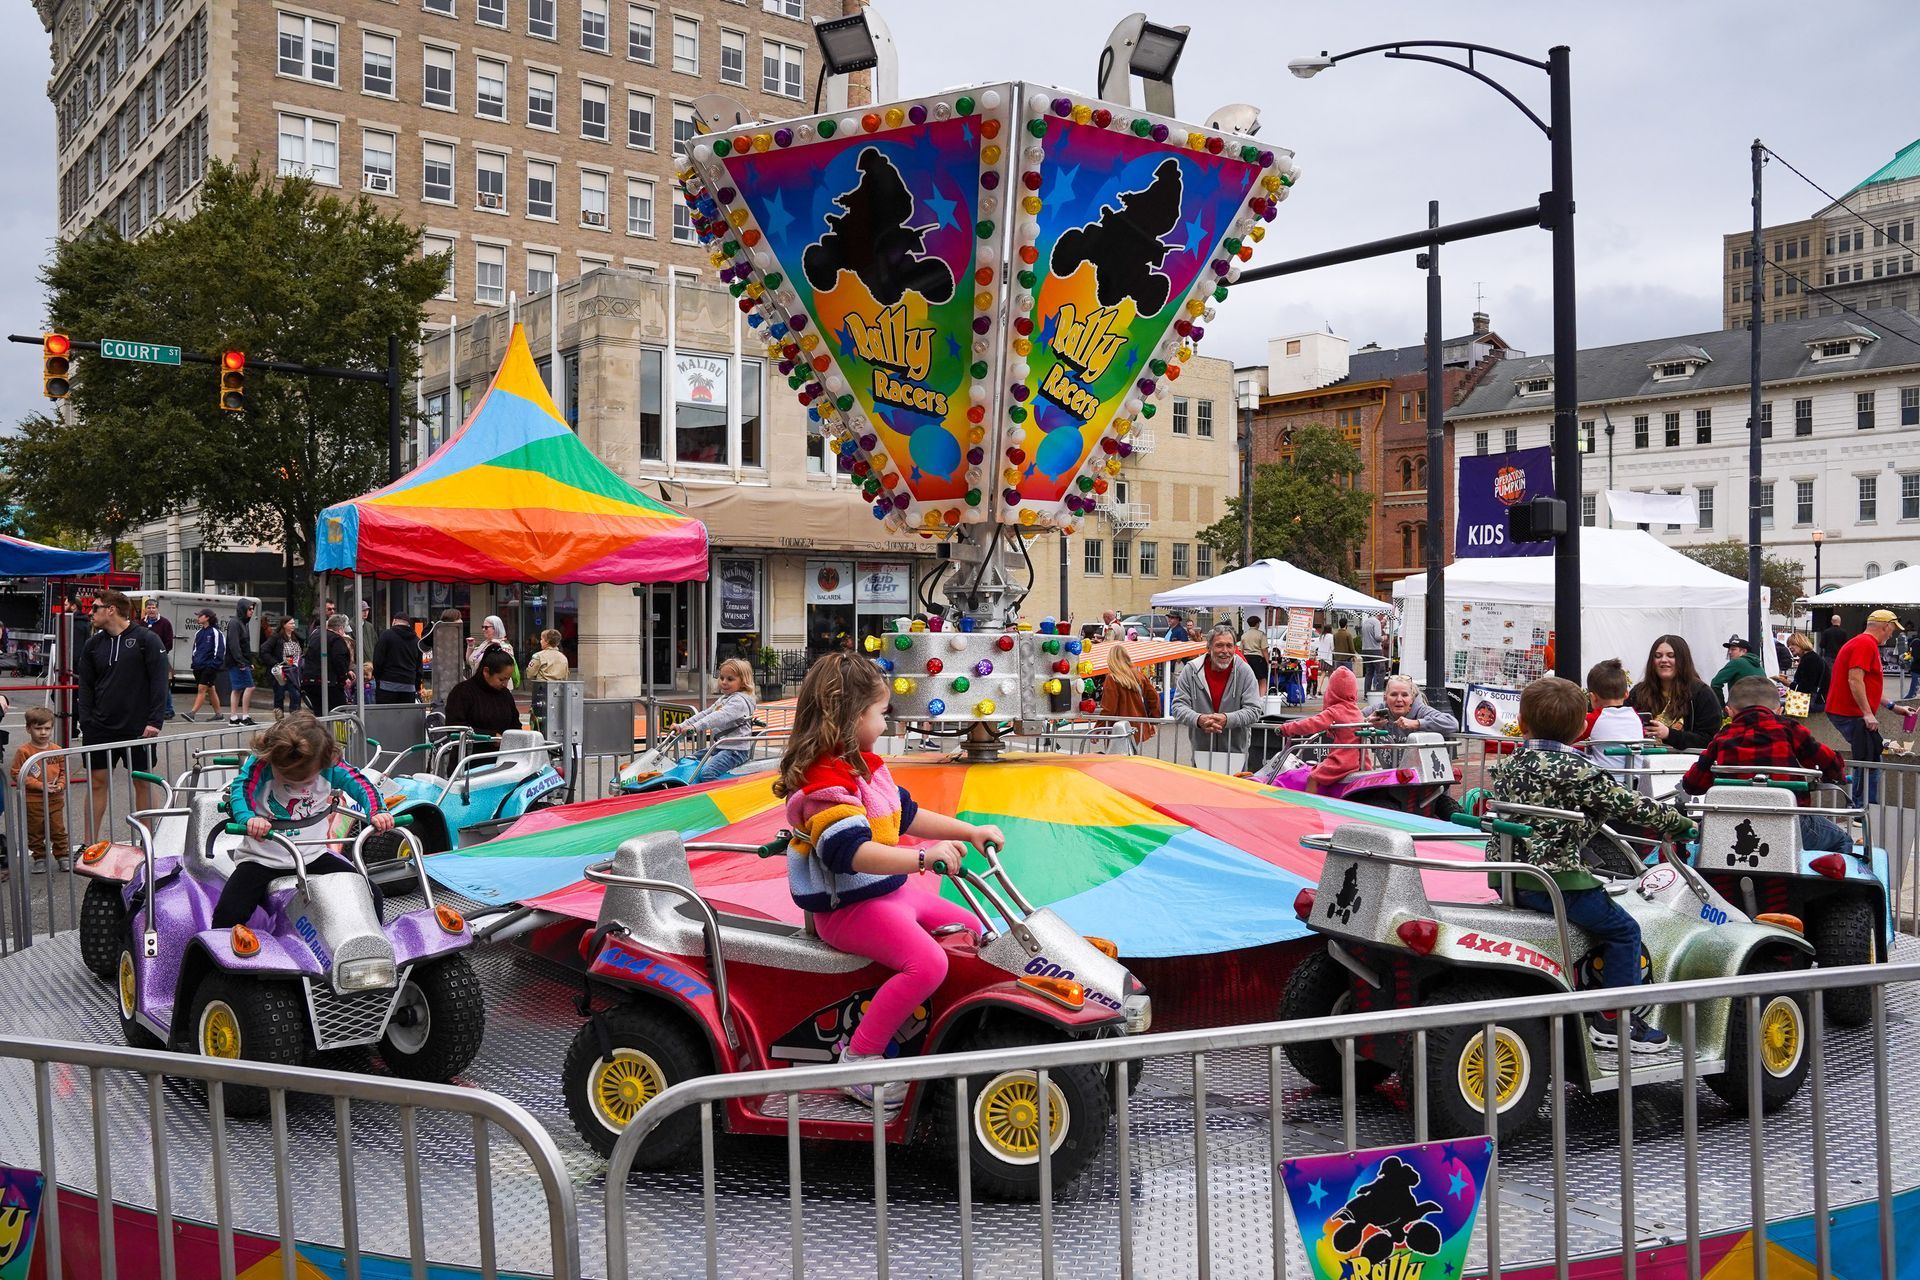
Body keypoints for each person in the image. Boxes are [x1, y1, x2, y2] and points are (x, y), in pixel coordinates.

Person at [774, 651, 1004, 1108]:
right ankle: (859, 1060)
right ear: (850, 717)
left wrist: (969, 832)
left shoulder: (865, 767)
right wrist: (922, 859)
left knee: (976, 930)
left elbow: (908, 815)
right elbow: (851, 854)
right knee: (929, 963)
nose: (886, 723)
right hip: (848, 911)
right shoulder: (828, 785)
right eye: (881, 713)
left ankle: (954, 1028)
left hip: (888, 896)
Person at [1489, 677, 1697, 1052]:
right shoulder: (1579, 770)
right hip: (1556, 878)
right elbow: (1627, 804)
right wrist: (1679, 822)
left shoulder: (1511, 762)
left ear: (1521, 721)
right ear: (1584, 726)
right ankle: (1615, 1018)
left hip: (1509, 873)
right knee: (1624, 930)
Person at [212, 712, 392, 930]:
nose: (298, 788)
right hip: (262, 860)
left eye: (306, 781)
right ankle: (218, 959)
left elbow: (360, 783)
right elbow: (240, 789)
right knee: (229, 912)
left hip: (312, 857)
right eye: (287, 780)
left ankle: (370, 949)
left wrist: (377, 811)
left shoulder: (329, 764)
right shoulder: (262, 764)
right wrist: (248, 818)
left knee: (369, 893)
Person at [1680, 677, 1851, 854]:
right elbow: (1830, 763)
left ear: (1729, 712)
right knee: (1841, 839)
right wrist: (1833, 775)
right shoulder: (1789, 729)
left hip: (1733, 825)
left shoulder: (1722, 738)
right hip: (1788, 822)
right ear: (1779, 710)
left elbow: (1692, 785)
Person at [75, 590, 167, 840]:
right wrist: (87, 722)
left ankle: (147, 843)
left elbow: (160, 683)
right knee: (96, 783)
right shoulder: (93, 644)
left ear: (111, 609)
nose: (90, 613)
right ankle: (89, 844)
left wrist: (154, 722)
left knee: (143, 782)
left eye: (94, 608)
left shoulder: (146, 639)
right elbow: (85, 686)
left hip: (138, 727)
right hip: (99, 727)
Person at [1826, 609, 1912, 808]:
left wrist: (1893, 706)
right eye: (1892, 630)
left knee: (1870, 757)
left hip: (1849, 712)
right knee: (1869, 762)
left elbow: (1865, 684)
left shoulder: (1862, 643)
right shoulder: (1865, 644)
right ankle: (1862, 807)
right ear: (1885, 626)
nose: (1892, 634)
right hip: (1851, 713)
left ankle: (1862, 804)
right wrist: (1867, 713)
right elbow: (1855, 680)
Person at [1171, 624, 1264, 770]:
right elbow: (1178, 706)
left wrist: (1227, 719)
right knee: (1202, 791)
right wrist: (1198, 719)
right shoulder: (1191, 670)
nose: (1225, 651)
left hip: (1236, 753)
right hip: (1201, 751)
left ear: (1235, 648)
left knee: (1233, 792)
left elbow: (1254, 710)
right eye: (1219, 645)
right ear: (1209, 647)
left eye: (1229, 646)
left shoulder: (1244, 671)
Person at [1263, 665, 1363, 792]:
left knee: (1312, 777)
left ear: (1332, 691)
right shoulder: (1356, 711)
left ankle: (1309, 807)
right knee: (1318, 768)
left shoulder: (1335, 711)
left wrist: (1286, 728)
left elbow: (1310, 724)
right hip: (1357, 760)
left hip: (1342, 761)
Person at [1626, 635, 1724, 751]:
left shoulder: (1701, 693)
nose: (1663, 660)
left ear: (1683, 659)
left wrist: (1669, 734)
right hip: (1642, 763)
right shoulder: (1638, 692)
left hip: (1684, 766)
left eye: (1671, 656)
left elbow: (1708, 740)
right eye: (1658, 656)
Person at [674, 658, 757, 782]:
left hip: (735, 750)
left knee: (707, 774)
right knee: (689, 760)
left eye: (730, 679)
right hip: (722, 746)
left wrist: (695, 727)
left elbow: (718, 717)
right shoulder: (725, 698)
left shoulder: (739, 701)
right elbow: (706, 713)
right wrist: (683, 725)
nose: (724, 682)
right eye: (722, 678)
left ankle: (721, 797)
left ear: (743, 682)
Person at [12, 706, 68, 872]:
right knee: (35, 831)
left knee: (58, 829)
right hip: (33, 800)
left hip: (55, 799)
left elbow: (63, 772)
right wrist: (40, 786)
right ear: (29, 729)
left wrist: (61, 785)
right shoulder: (24, 751)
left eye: (47, 728)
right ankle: (39, 858)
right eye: (38, 728)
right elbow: (16, 773)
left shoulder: (57, 750)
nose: (43, 732)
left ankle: (62, 855)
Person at [444, 649, 522, 736]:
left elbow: (515, 724)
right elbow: (455, 727)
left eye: (508, 679)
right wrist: (490, 736)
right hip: (472, 748)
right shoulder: (462, 692)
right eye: (501, 679)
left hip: (504, 748)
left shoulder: (505, 694)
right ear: (486, 672)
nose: (505, 684)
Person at [1097, 643, 1159, 751]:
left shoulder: (1112, 679)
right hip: (1136, 727)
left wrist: (1098, 729)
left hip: (1118, 729)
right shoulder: (1139, 676)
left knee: (1115, 762)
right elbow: (1154, 697)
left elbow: (1108, 709)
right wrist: (1153, 720)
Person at [1364, 674, 1460, 740]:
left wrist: (1417, 723)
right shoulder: (1378, 710)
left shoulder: (1421, 710)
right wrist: (1366, 722)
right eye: (1393, 695)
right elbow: (1351, 720)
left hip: (1417, 768)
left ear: (1412, 699)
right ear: (1385, 697)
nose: (1399, 699)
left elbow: (1452, 723)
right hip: (1390, 768)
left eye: (1405, 695)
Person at [1578, 659, 1644, 754]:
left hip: (1604, 768)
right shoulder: (1635, 716)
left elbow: (1570, 737)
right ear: (1626, 694)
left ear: (1592, 697)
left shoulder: (1594, 718)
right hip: (1635, 768)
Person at [302, 613, 354, 714]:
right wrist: (344, 677)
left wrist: (347, 671)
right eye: (344, 630)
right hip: (329, 683)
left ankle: (322, 729)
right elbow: (338, 659)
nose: (344, 633)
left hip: (309, 681)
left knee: (320, 712)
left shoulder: (316, 635)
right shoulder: (337, 639)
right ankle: (333, 730)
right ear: (340, 628)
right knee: (339, 712)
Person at [370, 610, 425, 704]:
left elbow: (378, 660)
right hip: (408, 686)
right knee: (405, 717)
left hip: (387, 686)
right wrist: (416, 686)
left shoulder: (386, 635)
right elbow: (419, 666)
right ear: (408, 624)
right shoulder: (416, 640)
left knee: (387, 716)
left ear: (394, 621)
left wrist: (378, 678)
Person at [139, 599, 176, 721]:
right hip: (144, 658)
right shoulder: (141, 624)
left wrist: (160, 652)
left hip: (160, 658)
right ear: (145, 609)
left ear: (157, 609)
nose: (151, 610)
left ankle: (168, 710)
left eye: (153, 607)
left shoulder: (165, 623)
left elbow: (169, 642)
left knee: (163, 684)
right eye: (149, 608)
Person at [186, 608, 226, 722]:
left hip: (209, 666)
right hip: (198, 666)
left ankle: (192, 713)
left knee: (201, 689)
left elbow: (220, 650)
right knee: (211, 689)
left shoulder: (215, 632)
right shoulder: (198, 633)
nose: (198, 618)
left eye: (200, 615)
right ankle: (219, 714)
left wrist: (214, 665)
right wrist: (194, 662)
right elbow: (195, 649)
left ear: (207, 617)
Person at [262, 617, 303, 720]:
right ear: (284, 625)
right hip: (282, 671)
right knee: (279, 694)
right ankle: (279, 716)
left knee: (296, 694)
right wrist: (275, 663)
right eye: (290, 623)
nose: (293, 625)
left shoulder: (296, 637)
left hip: (294, 670)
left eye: (294, 623)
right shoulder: (276, 637)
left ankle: (295, 716)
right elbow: (264, 650)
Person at [224, 601, 257, 726]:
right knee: (250, 687)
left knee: (237, 689)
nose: (252, 611)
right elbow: (234, 644)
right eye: (249, 609)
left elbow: (245, 645)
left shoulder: (243, 623)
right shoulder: (235, 623)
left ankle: (234, 717)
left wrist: (249, 661)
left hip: (239, 661)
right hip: (237, 662)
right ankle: (244, 716)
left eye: (252, 609)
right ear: (243, 609)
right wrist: (241, 662)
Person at [1707, 636, 1764, 704]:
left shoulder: (1737, 662)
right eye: (1729, 650)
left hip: (1741, 707)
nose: (1729, 652)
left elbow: (1715, 683)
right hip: (1762, 706)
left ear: (1744, 651)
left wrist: (1721, 706)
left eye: (1733, 649)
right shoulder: (1759, 666)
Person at [1779, 631, 1829, 707]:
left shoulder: (1810, 659)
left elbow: (1806, 688)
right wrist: (1788, 681)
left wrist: (1787, 683)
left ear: (1801, 643)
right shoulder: (1811, 657)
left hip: (1813, 703)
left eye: (1793, 644)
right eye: (1788, 645)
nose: (1789, 647)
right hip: (1816, 700)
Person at [467, 614, 516, 678]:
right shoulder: (485, 643)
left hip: (496, 685)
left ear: (496, 628)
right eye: (483, 627)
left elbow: (507, 666)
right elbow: (469, 661)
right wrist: (470, 646)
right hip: (479, 684)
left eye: (486, 627)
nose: (483, 629)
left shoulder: (504, 645)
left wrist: (499, 647)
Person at [1240, 615, 1271, 693]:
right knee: (1262, 680)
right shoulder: (1261, 634)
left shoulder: (1244, 635)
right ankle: (1260, 699)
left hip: (1246, 659)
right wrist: (1268, 662)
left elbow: (1241, 650)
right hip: (1258, 659)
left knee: (1249, 680)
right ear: (1257, 624)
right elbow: (1264, 650)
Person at [1360, 610, 1385, 693]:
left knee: (1369, 672)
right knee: (1380, 672)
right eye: (1383, 615)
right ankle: (1378, 692)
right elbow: (1377, 637)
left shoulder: (1365, 622)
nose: (1383, 618)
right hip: (1375, 650)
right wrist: (1384, 638)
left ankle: (1366, 694)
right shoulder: (1376, 622)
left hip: (1365, 649)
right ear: (1379, 614)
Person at [1313, 624, 1333, 697]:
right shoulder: (1331, 637)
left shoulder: (1321, 636)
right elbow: (1333, 647)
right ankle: (1330, 690)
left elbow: (1318, 647)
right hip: (1329, 658)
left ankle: (1319, 689)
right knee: (1330, 674)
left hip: (1321, 657)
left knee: (1322, 674)